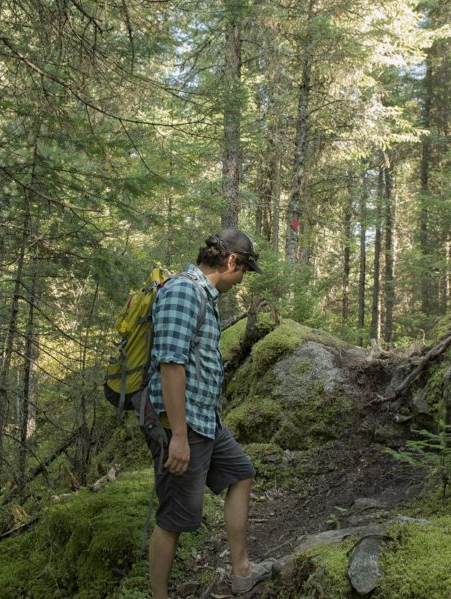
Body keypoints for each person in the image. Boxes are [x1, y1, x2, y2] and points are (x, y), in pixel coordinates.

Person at [144, 228, 272, 597]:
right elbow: (170, 364)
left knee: (241, 473)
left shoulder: (203, 295)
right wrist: (179, 437)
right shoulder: (183, 292)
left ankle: (242, 570)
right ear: (232, 261)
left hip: (204, 421)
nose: (243, 278)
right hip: (178, 424)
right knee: (174, 519)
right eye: (244, 269)